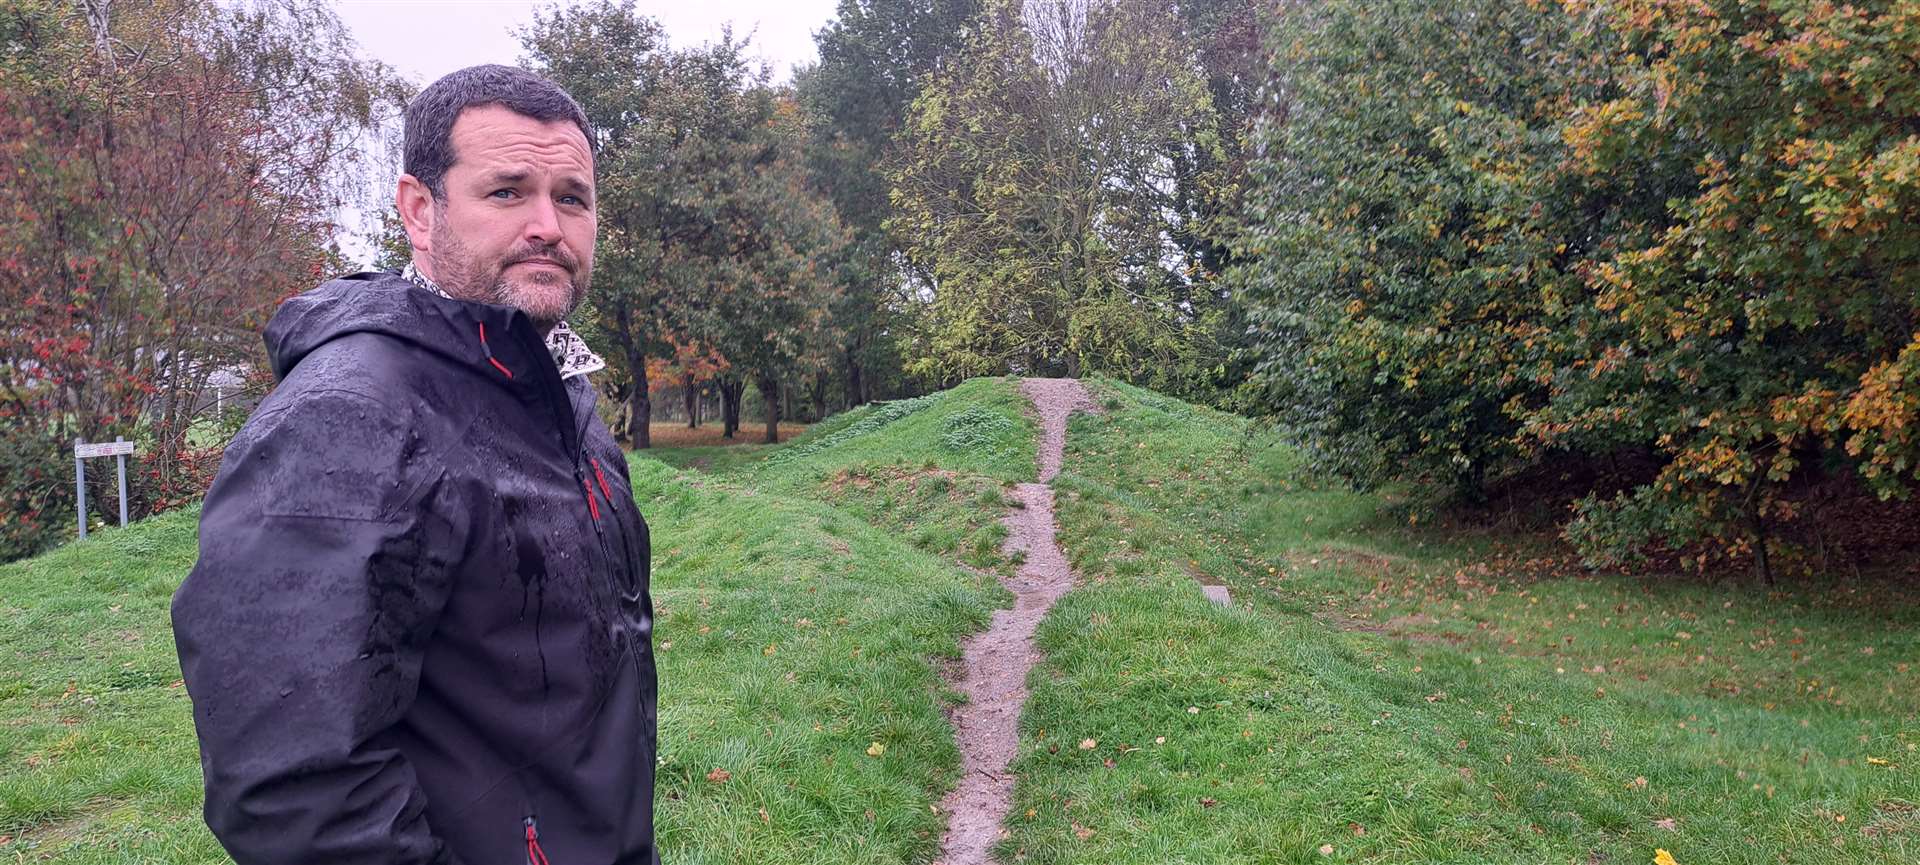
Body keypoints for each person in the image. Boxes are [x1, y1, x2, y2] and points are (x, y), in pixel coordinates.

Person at [171, 65, 657, 864]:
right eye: (507, 192)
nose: (548, 225)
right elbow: (296, 786)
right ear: (420, 211)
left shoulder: (558, 393)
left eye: (571, 197)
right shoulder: (349, 418)